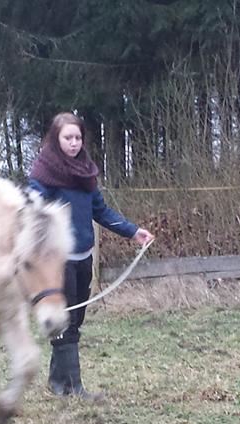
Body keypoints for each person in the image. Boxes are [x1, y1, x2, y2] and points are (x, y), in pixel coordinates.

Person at [27, 112, 153, 400]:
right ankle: (74, 387)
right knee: (64, 320)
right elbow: (30, 207)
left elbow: (101, 211)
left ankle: (58, 384)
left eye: (77, 138)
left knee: (76, 318)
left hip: (84, 256)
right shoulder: (44, 174)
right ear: (56, 140)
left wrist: (133, 232)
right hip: (58, 261)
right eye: (67, 138)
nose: (73, 143)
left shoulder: (86, 174)